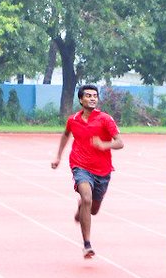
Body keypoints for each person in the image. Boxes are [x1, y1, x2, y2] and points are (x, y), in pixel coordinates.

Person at [50, 84, 124, 258]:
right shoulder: (73, 120)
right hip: (80, 165)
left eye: (95, 96)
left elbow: (120, 142)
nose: (92, 98)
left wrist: (104, 144)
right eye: (88, 95)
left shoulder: (105, 119)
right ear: (81, 99)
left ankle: (81, 207)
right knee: (86, 198)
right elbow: (66, 134)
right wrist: (58, 156)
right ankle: (87, 244)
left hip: (103, 170)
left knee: (93, 209)